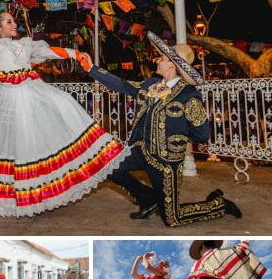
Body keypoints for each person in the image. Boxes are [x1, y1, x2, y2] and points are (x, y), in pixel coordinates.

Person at [0, 11, 129, 218]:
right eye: (9, 21)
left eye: (13, 21)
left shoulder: (26, 44)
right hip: (9, 101)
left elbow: (49, 51)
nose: (14, 24)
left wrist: (74, 53)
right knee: (14, 146)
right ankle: (9, 197)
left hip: (32, 93)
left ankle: (37, 193)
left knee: (56, 115)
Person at [79, 33, 242, 226]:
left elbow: (202, 134)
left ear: (174, 65)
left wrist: (175, 138)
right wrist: (91, 68)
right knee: (107, 167)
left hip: (166, 162)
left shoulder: (189, 96)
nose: (158, 60)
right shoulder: (150, 85)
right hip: (142, 150)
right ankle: (148, 200)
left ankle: (218, 204)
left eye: (163, 58)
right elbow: (123, 85)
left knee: (172, 219)